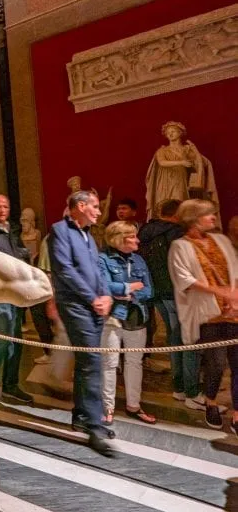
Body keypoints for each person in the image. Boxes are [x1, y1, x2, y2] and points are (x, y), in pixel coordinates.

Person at [48, 190, 115, 457]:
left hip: (95, 305)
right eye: (95, 207)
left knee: (86, 362)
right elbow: (64, 269)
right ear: (80, 205)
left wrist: (106, 295)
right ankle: (95, 425)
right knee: (92, 363)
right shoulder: (59, 230)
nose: (99, 211)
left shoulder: (88, 235)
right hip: (76, 305)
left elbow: (96, 270)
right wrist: (92, 298)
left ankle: (81, 416)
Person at [169, 200, 238, 432]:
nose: (214, 219)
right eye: (208, 215)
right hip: (208, 314)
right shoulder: (179, 246)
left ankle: (237, 413)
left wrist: (232, 299)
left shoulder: (221, 240)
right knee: (216, 363)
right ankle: (211, 402)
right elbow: (184, 279)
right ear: (194, 219)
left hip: (233, 311)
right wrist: (218, 292)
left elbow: (234, 271)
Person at [138, 199, 197, 404]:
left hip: (157, 293)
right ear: (177, 214)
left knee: (174, 338)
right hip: (177, 293)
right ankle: (190, 390)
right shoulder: (177, 233)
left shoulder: (144, 232)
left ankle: (178, 386)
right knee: (188, 341)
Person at [0, 194, 33, 406]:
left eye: (5, 207)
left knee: (16, 340)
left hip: (16, 290)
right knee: (2, 339)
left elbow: (20, 254)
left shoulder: (13, 231)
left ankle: (11, 384)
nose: (2, 210)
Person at [99, 222, 156, 424]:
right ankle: (107, 408)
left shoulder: (139, 260)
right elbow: (104, 285)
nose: (137, 240)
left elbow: (149, 290)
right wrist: (128, 287)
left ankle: (134, 405)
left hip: (137, 316)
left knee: (134, 363)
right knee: (109, 363)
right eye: (132, 237)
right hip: (112, 317)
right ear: (119, 239)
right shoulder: (103, 259)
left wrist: (124, 292)